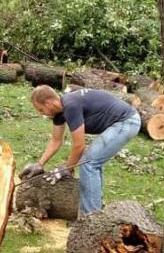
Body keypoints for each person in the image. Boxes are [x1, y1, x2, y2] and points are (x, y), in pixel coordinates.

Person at [20, 85, 141, 216]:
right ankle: (95, 212)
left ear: (48, 103)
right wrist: (39, 164)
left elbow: (79, 145)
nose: (41, 113)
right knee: (91, 163)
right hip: (122, 122)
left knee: (88, 164)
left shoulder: (71, 106)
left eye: (41, 109)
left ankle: (89, 219)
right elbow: (56, 141)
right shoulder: (59, 113)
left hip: (126, 121)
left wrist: (67, 168)